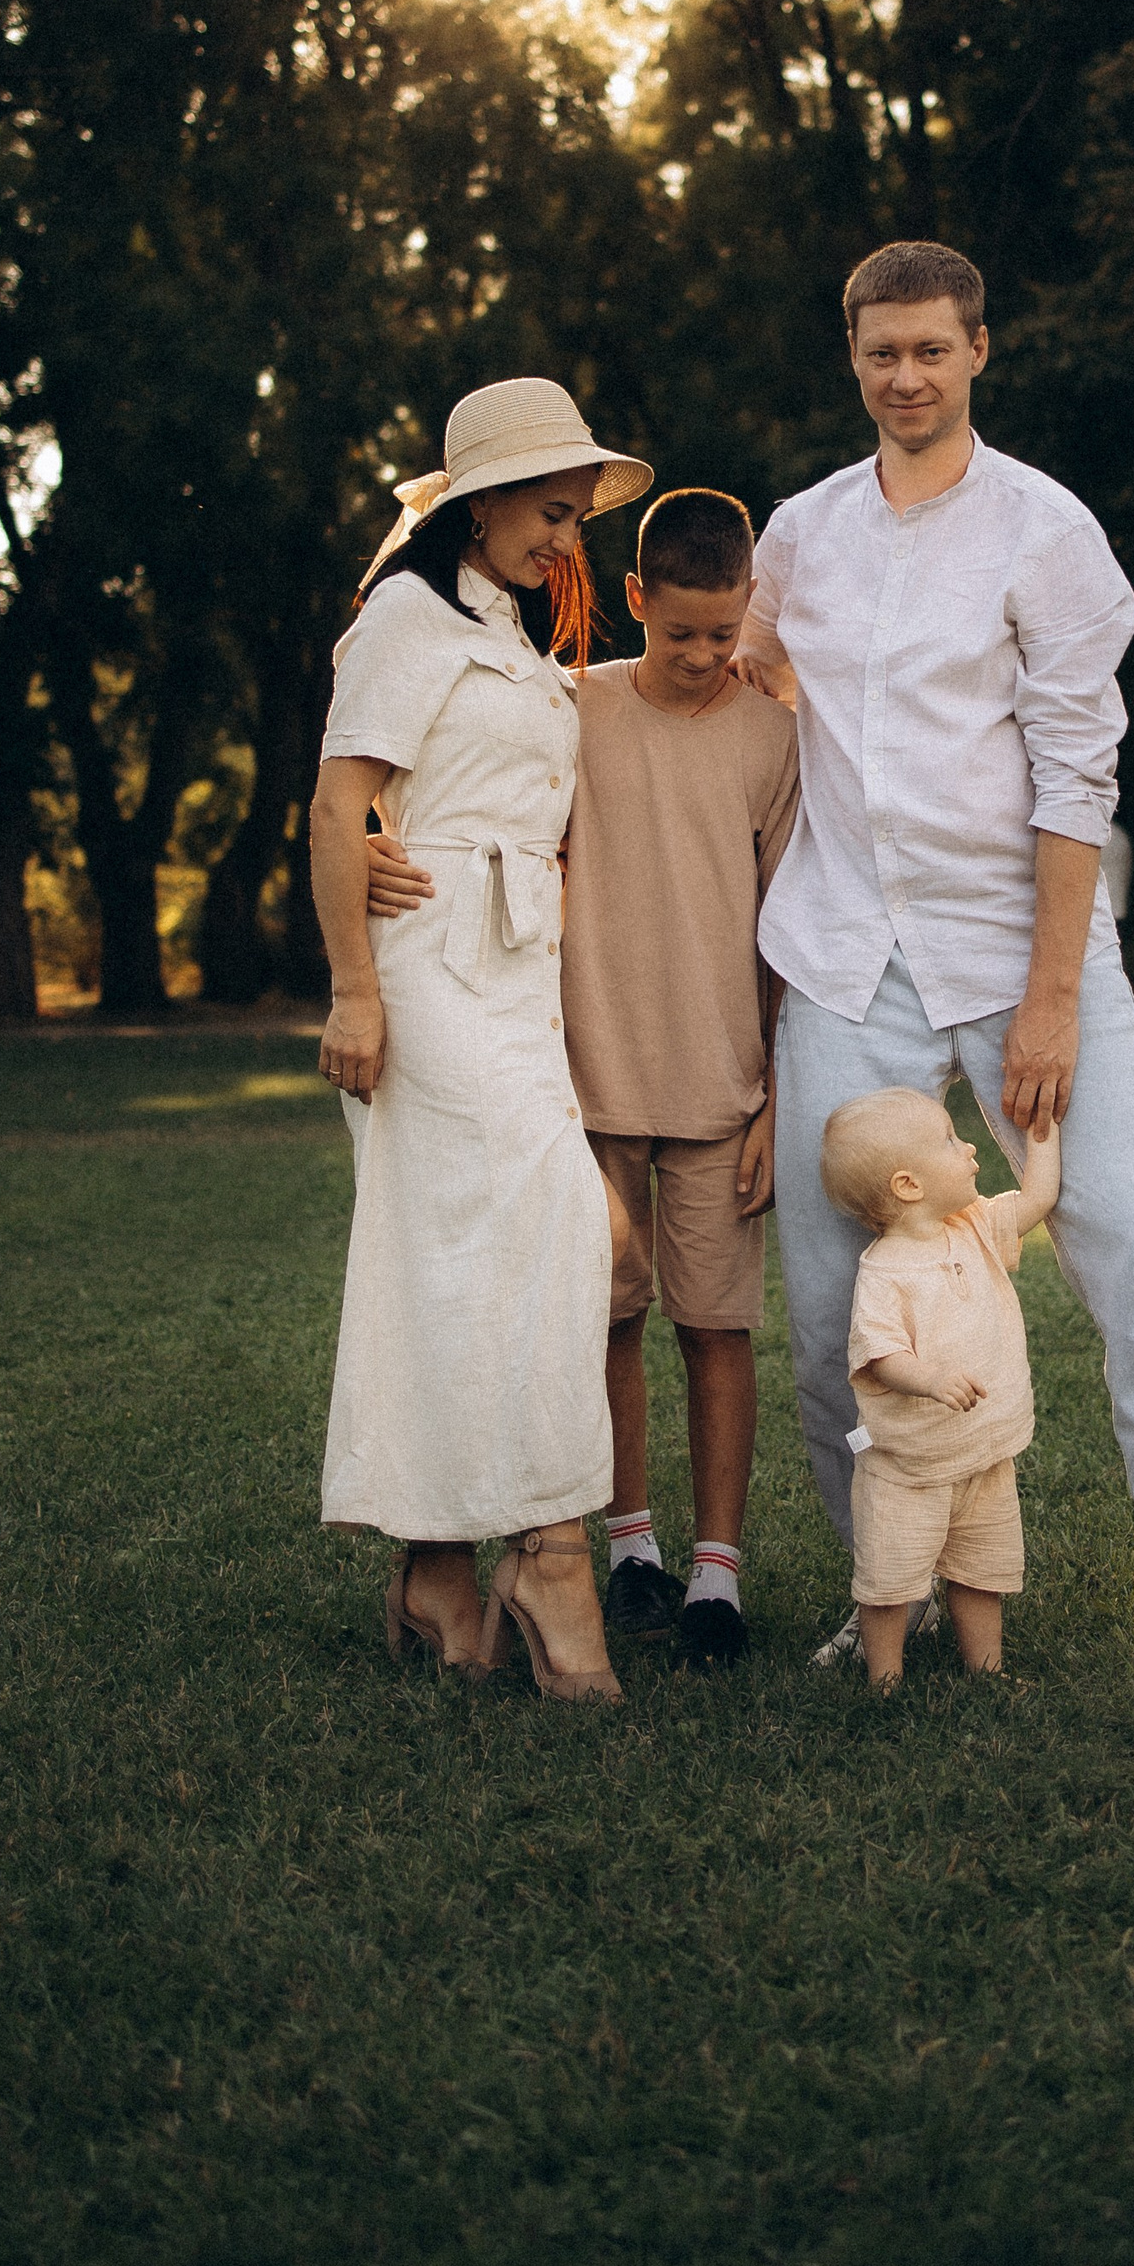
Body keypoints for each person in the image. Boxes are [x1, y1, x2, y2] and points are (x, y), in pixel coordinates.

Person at [739, 239, 1134, 1704]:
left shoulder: (1045, 531)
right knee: (825, 1314)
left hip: (1025, 952)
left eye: (933, 349)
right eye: (883, 351)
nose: (907, 375)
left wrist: (1057, 997)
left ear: (980, 350)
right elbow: (722, 677)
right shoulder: (801, 531)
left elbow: (1079, 775)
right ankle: (904, 1585)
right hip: (843, 951)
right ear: (852, 357)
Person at [365, 487, 800, 1672]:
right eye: (681, 633)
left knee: (716, 1326)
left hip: (724, 1088)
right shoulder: (571, 706)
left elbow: (785, 925)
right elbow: (451, 784)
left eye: (727, 633)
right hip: (582, 1078)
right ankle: (628, 1547)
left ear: (750, 610)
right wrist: (361, 833)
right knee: (598, 1320)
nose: (707, 656)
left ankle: (717, 1572)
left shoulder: (772, 737)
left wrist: (774, 1089)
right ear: (633, 602)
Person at [310, 376, 650, 1706]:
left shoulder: (503, 624)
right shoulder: (403, 613)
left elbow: (495, 764)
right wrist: (353, 989)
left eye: (574, 518)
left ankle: (436, 1573)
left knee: (458, 1260)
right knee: (559, 1218)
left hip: (517, 971)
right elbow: (342, 800)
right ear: (484, 499)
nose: (565, 541)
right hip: (426, 969)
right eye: (552, 514)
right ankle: (554, 1558)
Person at [825, 1085, 1060, 1692]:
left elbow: (1038, 1196)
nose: (971, 1147)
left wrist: (1043, 1132)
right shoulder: (883, 1271)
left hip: (983, 1453)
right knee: (890, 1580)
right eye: (951, 1141)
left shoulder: (976, 1225)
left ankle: (986, 1671)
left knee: (982, 1572)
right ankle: (885, 1679)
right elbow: (880, 1357)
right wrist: (929, 1379)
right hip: (909, 1468)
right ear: (909, 1186)